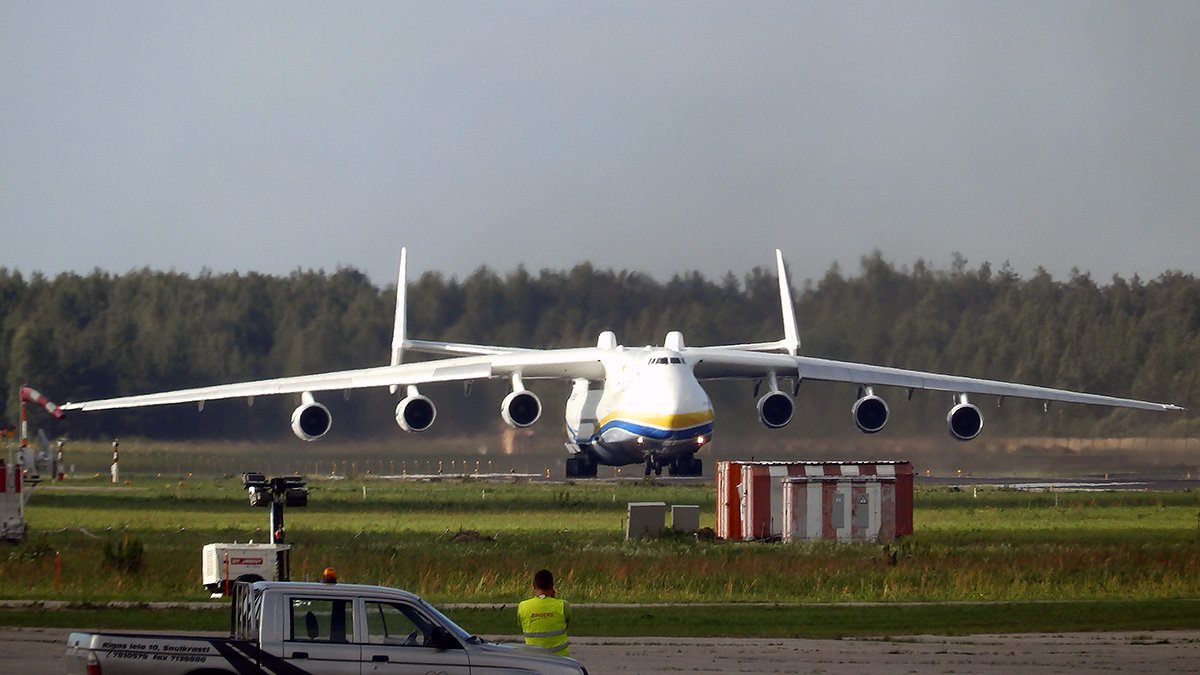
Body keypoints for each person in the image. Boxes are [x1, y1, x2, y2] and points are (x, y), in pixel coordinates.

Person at [517, 569, 571, 656]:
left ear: (534, 586)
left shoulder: (523, 606)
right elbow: (567, 623)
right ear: (552, 586)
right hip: (560, 659)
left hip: (535, 658)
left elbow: (522, 625)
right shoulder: (563, 605)